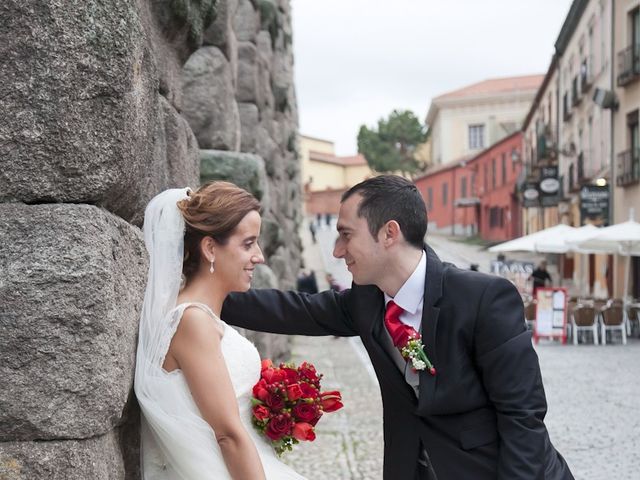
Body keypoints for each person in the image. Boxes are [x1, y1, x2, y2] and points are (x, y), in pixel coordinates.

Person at [222, 175, 573, 480]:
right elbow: (296, 310)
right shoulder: (366, 300)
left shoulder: (483, 299)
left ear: (389, 233)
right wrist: (208, 294)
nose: (338, 249)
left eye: (346, 234)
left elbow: (522, 416)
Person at [134, 182, 305, 479]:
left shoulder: (204, 318)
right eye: (248, 244)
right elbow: (227, 433)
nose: (260, 256)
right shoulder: (192, 321)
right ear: (211, 248)